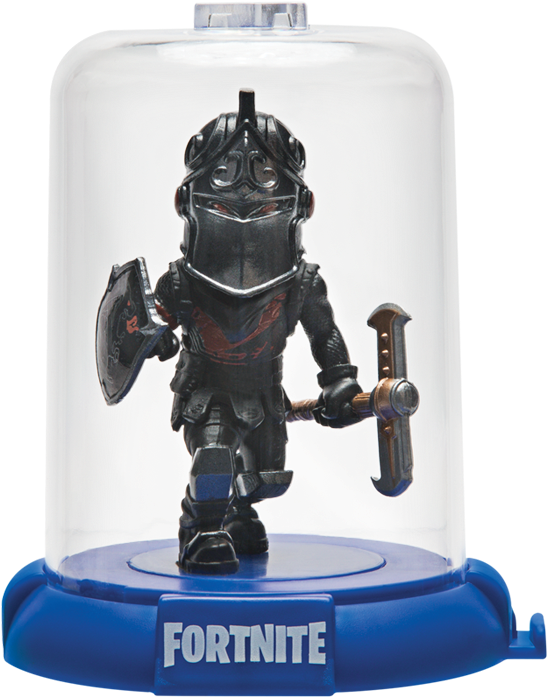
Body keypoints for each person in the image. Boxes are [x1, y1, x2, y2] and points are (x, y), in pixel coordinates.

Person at [149, 91, 362, 574]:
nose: (246, 200)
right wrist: (154, 336)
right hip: (207, 388)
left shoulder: (301, 282)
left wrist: (340, 381)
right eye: (226, 189)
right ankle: (201, 529)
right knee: (214, 455)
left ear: (299, 204)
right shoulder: (181, 281)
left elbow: (324, 333)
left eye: (264, 189)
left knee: (266, 475)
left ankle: (239, 513)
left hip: (266, 389)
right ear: (189, 201)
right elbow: (146, 326)